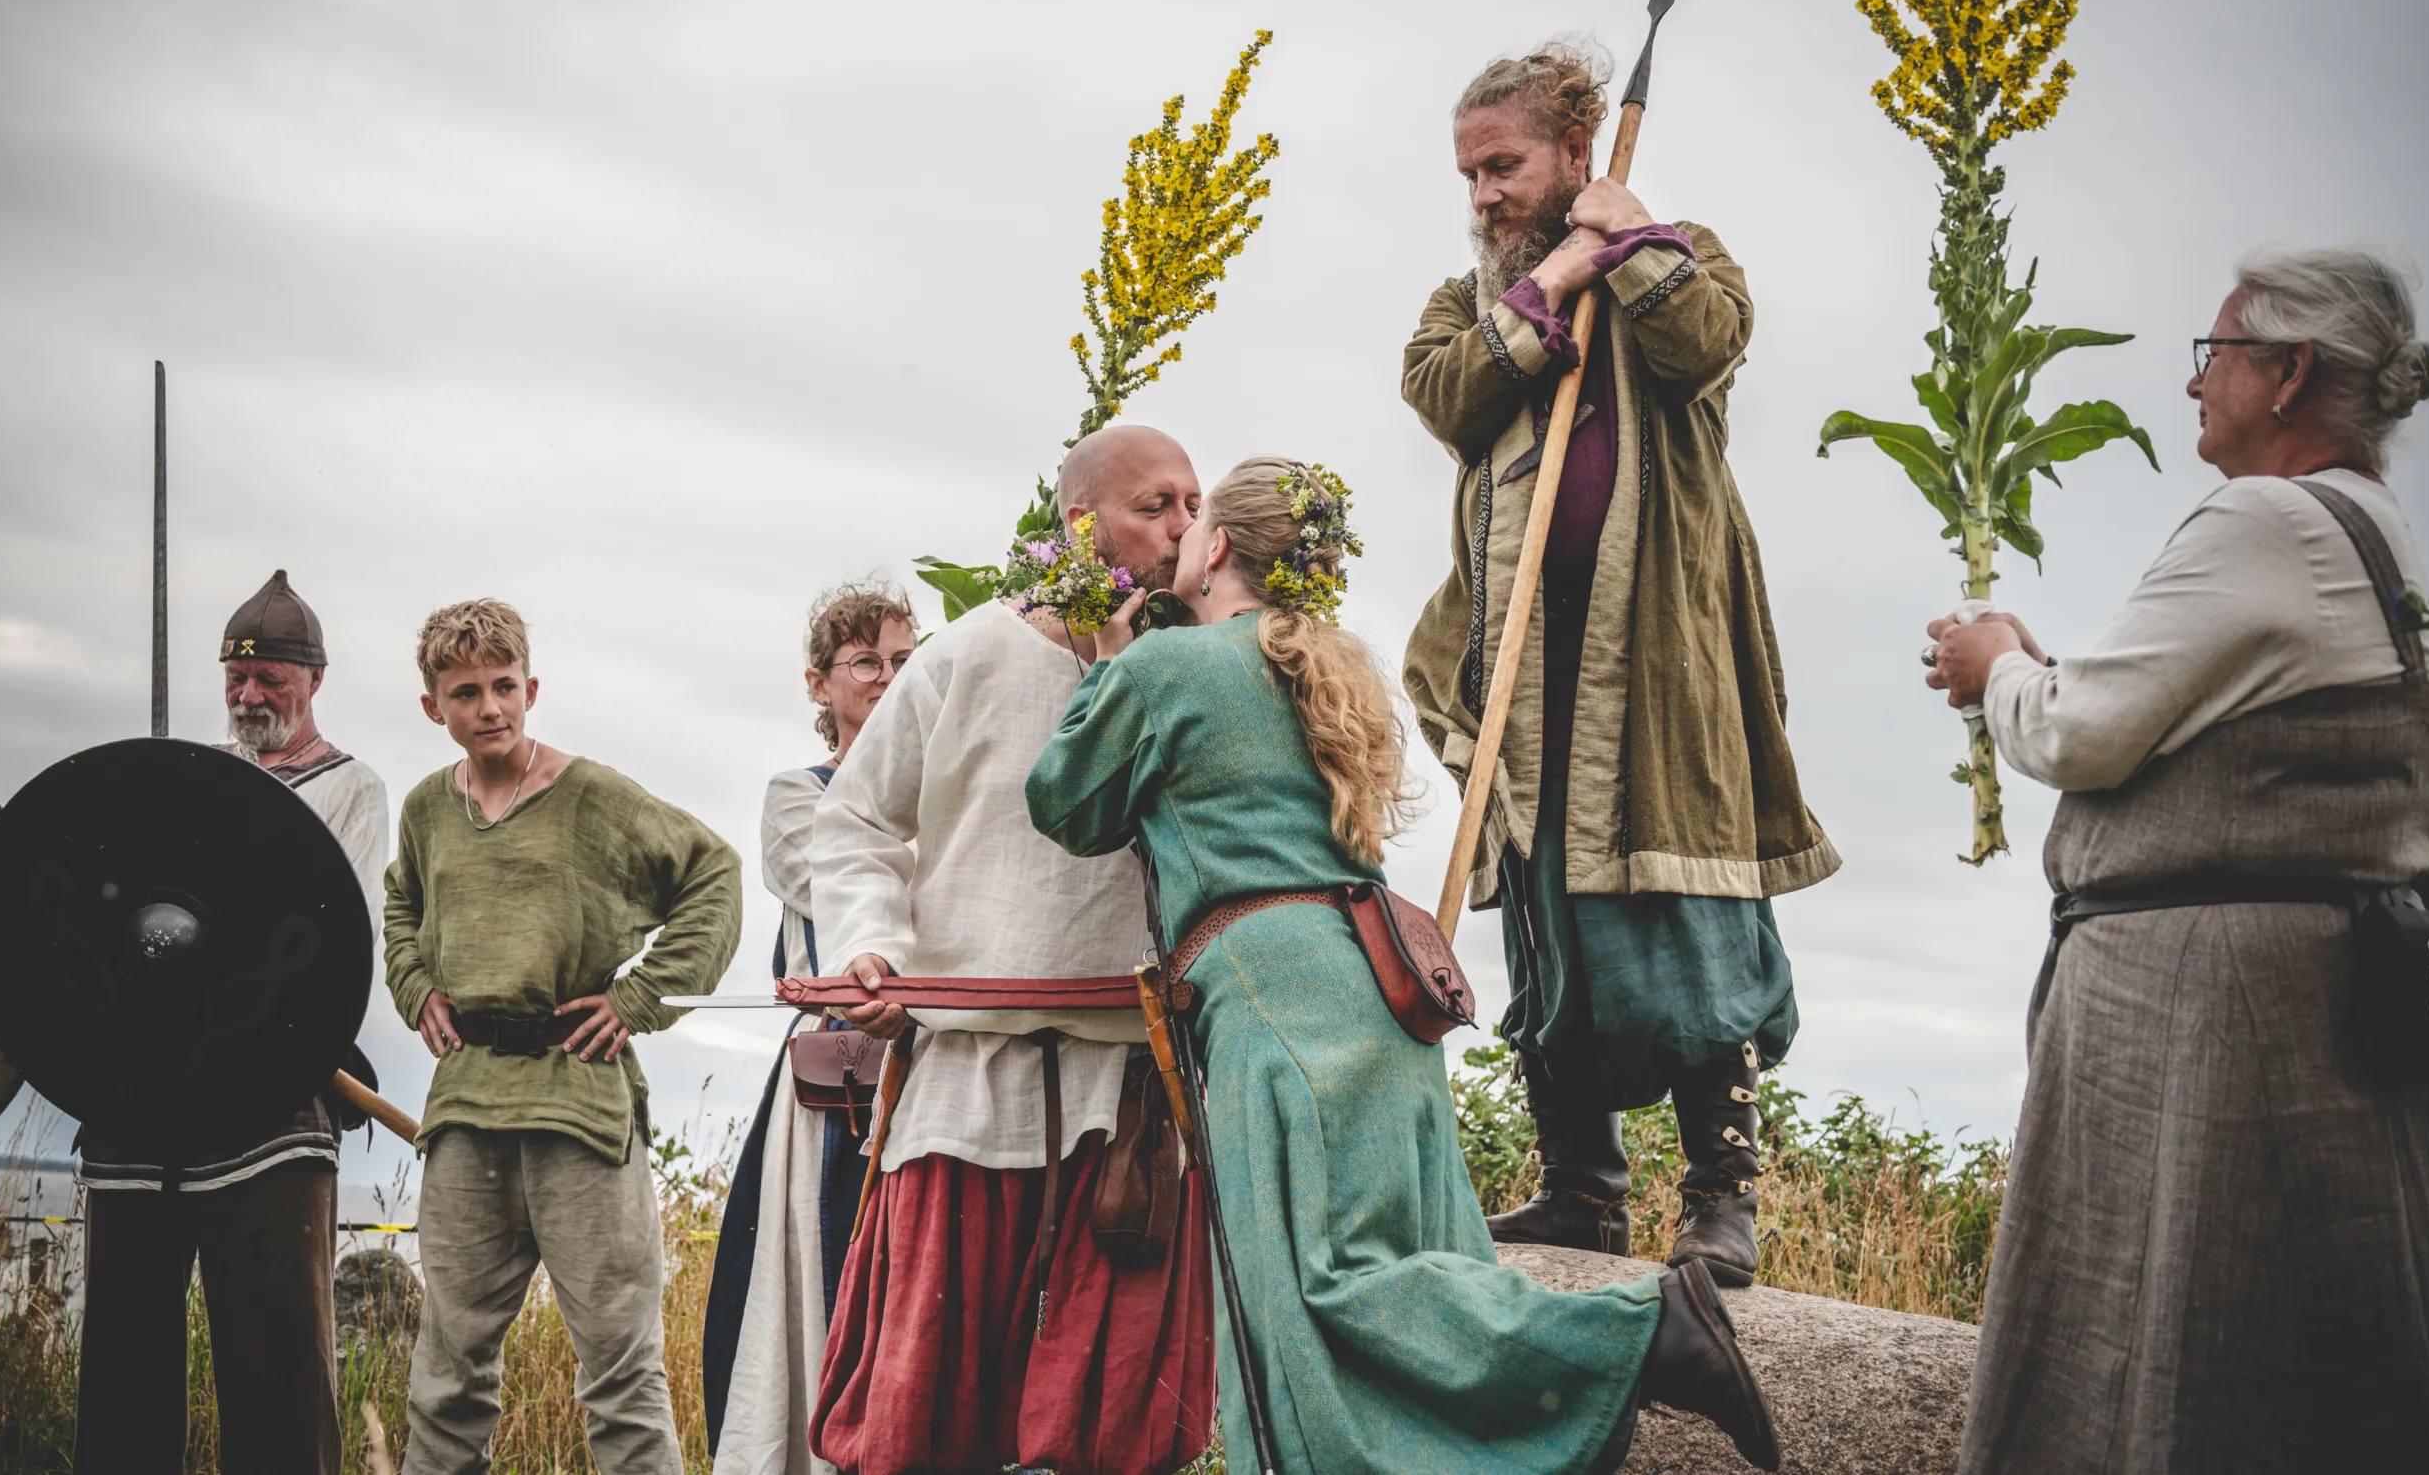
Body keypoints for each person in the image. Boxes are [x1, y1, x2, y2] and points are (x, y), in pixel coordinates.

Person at [1027, 456, 1781, 1474]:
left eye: (1196, 513)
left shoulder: (1169, 666)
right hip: (1382, 984)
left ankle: (1646, 1332)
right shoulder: (1333, 664)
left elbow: (1063, 802)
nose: (1181, 527)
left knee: (1317, 1282)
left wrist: (1105, 652)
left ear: (1220, 547)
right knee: (1422, 1265)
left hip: (1273, 992)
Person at [1924, 248, 2429, 1473]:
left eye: (2211, 354)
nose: (2191, 386)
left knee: (2171, 1334)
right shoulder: (2384, 535)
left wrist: (1994, 661)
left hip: (2206, 1019)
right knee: (2297, 1348)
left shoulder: (2265, 517)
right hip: (2320, 986)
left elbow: (2075, 731)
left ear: (2288, 373)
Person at [1400, 41, 1838, 1278]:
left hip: (1660, 659)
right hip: (1524, 664)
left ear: (1575, 156)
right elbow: (1442, 394)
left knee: (1685, 904)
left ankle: (1721, 1200)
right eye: (1469, 173)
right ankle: (1582, 1187)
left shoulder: (1682, 260)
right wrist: (1554, 272)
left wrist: (1630, 239)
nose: (1481, 192)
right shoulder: (1467, 301)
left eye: (1504, 165)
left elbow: (1703, 343)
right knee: (1545, 917)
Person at [807, 424, 1216, 1475]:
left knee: (1110, 1427)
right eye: (1153, 505)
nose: (1181, 526)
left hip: (1129, 1077)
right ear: (1082, 524)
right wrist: (870, 948)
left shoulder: (1194, 668)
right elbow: (855, 822)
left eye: (1190, 503)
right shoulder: (972, 649)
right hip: (965, 1065)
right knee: (928, 1414)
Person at [384, 598, 742, 1475]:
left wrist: (640, 998)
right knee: (446, 1371)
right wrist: (413, 983)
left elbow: (715, 875)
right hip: (466, 1103)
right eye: (466, 692)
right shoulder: (430, 807)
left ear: (531, 686)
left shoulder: (593, 797)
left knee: (620, 1368)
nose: (490, 707)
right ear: (435, 706)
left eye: (504, 686)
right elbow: (402, 904)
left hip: (579, 1102)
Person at [73, 569, 389, 1475]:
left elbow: (337, 943)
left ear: (313, 680)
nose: (250, 696)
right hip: (146, 1100)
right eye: (236, 679)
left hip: (273, 1100)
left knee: (280, 1365)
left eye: (271, 680)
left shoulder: (350, 789)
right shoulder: (179, 780)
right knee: (124, 1362)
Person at [705, 580, 919, 1475]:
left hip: (944, 1054)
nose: (887, 676)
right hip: (840, 1073)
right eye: (866, 660)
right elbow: (838, 876)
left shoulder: (946, 787)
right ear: (818, 683)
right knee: (826, 1287)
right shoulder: (799, 793)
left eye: (906, 661)